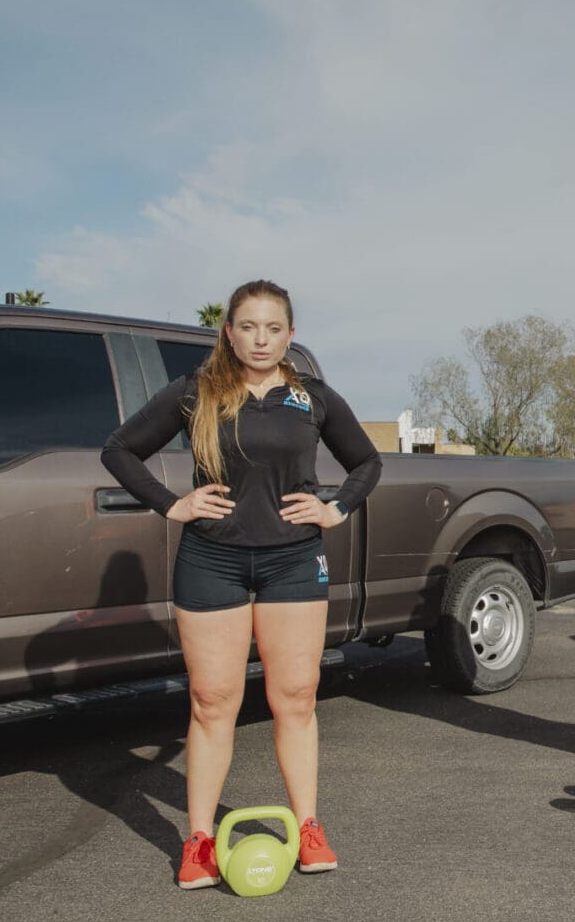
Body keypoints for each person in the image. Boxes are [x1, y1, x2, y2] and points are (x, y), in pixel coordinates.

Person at [101, 280, 381, 888]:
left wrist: (336, 508)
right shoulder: (196, 392)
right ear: (228, 330)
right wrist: (171, 504)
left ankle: (308, 826)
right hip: (212, 561)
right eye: (248, 326)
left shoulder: (314, 398)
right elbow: (120, 450)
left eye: (273, 328)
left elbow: (367, 461)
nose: (260, 339)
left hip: (293, 564)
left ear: (290, 335)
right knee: (212, 703)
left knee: (296, 698)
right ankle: (199, 840)